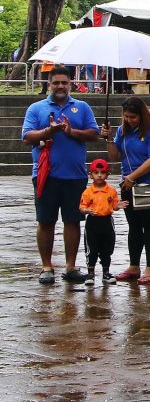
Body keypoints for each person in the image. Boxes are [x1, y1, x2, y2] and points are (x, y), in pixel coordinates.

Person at [21, 65, 100, 284]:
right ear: (49, 85)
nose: (60, 86)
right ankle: (47, 267)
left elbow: (93, 134)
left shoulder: (82, 107)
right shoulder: (36, 108)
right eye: (56, 82)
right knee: (45, 221)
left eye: (64, 82)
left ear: (71, 83)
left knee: (73, 221)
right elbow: (27, 137)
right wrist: (49, 131)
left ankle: (71, 266)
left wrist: (70, 131)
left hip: (74, 175)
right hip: (46, 175)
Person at [101, 97, 150, 285]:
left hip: (149, 184)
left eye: (133, 117)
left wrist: (133, 177)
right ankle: (134, 265)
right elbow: (114, 157)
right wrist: (108, 139)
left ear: (141, 115)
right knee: (134, 226)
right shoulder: (123, 130)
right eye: (126, 116)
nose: (129, 120)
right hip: (127, 185)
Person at [79, 158, 125, 285]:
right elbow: (81, 207)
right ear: (91, 175)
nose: (99, 175)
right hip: (92, 222)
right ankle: (90, 274)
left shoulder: (111, 191)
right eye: (96, 172)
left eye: (102, 172)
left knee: (107, 248)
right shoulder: (88, 192)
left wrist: (118, 206)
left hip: (106, 221)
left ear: (107, 175)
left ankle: (106, 273)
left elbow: (114, 206)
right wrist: (87, 210)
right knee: (91, 249)